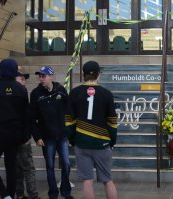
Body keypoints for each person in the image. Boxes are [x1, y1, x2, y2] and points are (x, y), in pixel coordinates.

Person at [65, 61, 118, 199]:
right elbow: (112, 122)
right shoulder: (107, 94)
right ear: (98, 74)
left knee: (87, 181)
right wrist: (112, 141)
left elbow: (69, 121)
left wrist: (74, 140)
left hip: (82, 143)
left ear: (83, 75)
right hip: (102, 144)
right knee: (107, 180)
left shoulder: (74, 93)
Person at [30, 66, 73, 199]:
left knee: (66, 164)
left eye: (44, 76)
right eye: (40, 76)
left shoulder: (60, 90)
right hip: (47, 137)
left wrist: (69, 131)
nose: (41, 79)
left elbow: (69, 111)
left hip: (62, 135)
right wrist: (37, 137)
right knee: (49, 166)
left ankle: (66, 192)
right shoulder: (35, 93)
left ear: (51, 77)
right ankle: (53, 194)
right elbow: (32, 118)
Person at [0, 59, 29, 199]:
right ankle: (10, 194)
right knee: (11, 168)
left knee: (11, 167)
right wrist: (25, 135)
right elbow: (26, 115)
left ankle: (4, 195)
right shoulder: (21, 89)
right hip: (15, 134)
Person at [15, 70, 40, 199]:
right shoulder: (19, 93)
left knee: (21, 169)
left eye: (25, 79)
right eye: (22, 79)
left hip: (20, 137)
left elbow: (28, 117)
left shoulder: (22, 92)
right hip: (17, 138)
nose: (25, 82)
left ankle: (21, 194)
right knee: (26, 169)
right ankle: (30, 195)